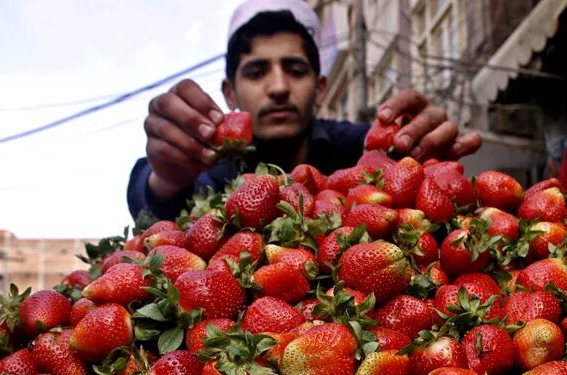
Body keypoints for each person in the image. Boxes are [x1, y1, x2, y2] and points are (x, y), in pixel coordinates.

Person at [127, 0, 481, 220]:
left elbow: (410, 163)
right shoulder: (205, 168)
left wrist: (421, 157)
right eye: (256, 72)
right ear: (228, 92)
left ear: (320, 89)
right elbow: (150, 197)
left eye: (295, 70)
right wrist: (167, 180)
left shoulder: (365, 150)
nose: (279, 87)